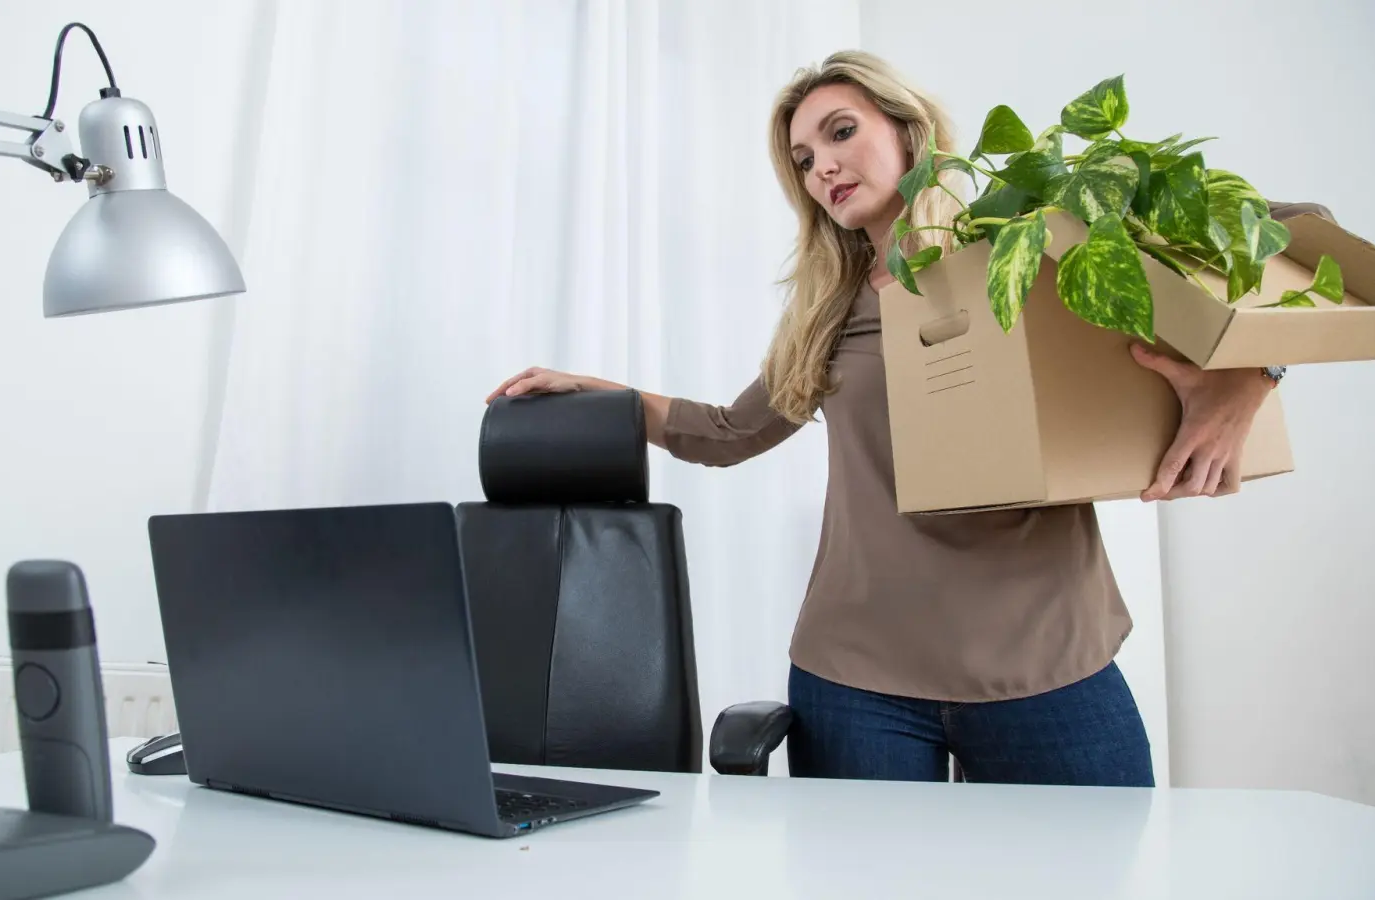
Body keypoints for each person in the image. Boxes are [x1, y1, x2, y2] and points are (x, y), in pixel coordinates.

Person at [485, 51, 1310, 787]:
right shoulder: (829, 310)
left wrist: (1250, 377)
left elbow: (1296, 235)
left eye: (842, 133)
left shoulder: (1033, 246)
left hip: (1048, 665)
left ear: (909, 129)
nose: (823, 169)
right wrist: (599, 391)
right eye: (805, 161)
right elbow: (728, 434)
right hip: (857, 680)